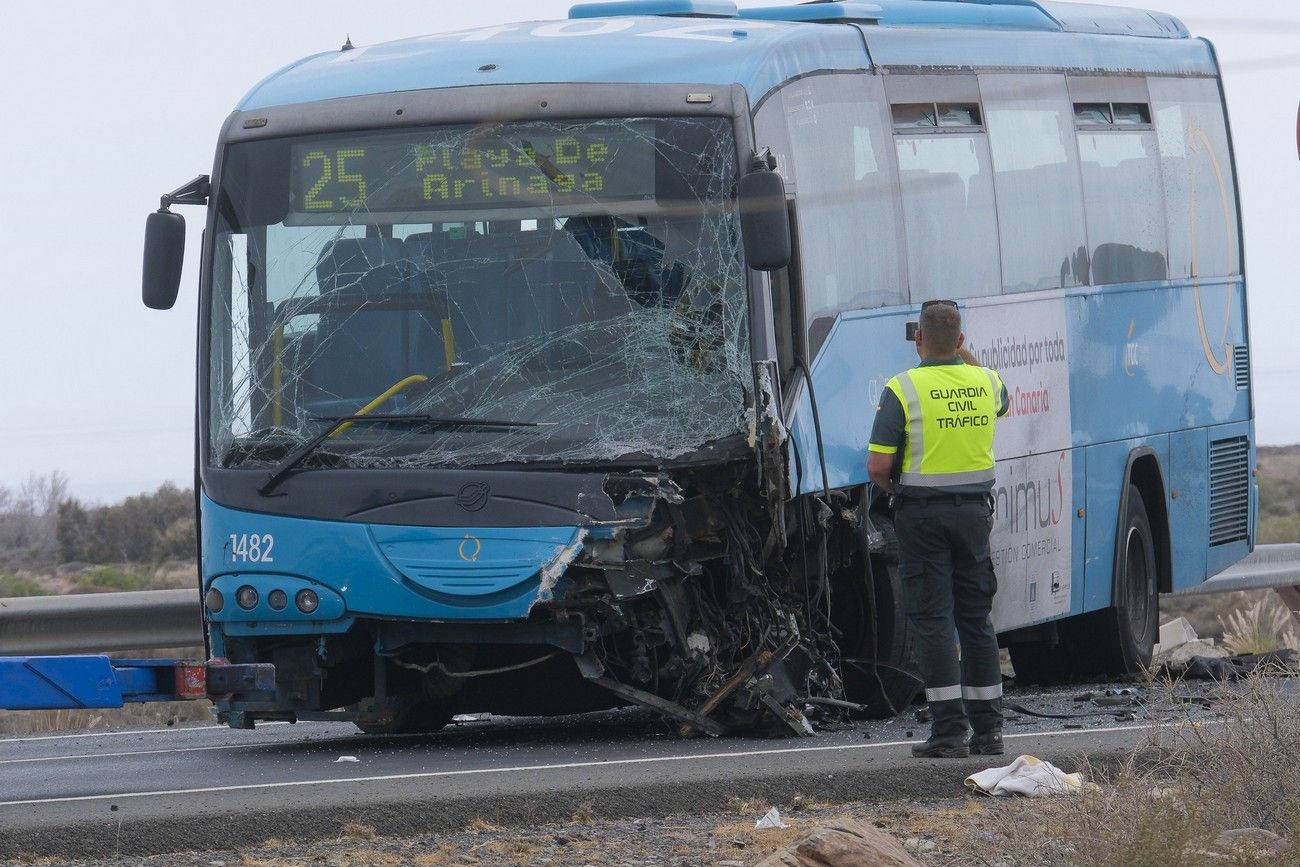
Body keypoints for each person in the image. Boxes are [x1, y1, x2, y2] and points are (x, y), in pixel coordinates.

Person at [867, 300, 1010, 758]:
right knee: (976, 620)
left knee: (932, 621)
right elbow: (1001, 398)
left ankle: (949, 733)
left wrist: (896, 491)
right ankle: (989, 734)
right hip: (974, 516)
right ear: (962, 341)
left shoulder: (903, 388)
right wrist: (963, 356)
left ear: (918, 339)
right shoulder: (986, 381)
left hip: (921, 517)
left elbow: (878, 465)